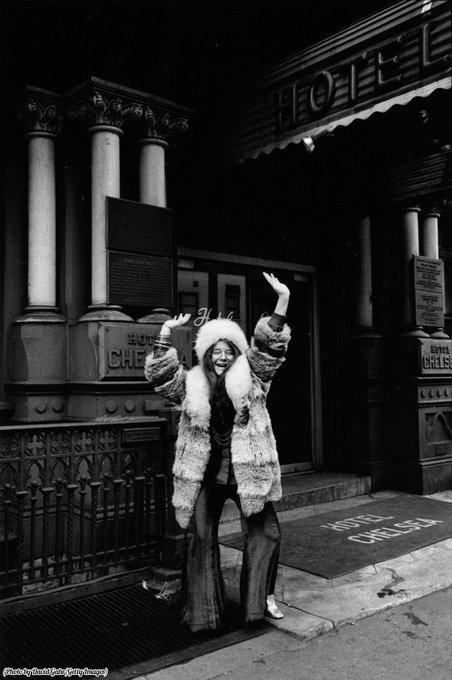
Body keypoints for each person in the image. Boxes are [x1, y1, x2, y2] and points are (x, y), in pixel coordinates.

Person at [145, 272, 290, 631]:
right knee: (200, 537)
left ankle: (258, 603)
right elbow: (162, 377)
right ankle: (204, 611)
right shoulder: (192, 384)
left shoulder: (253, 377)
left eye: (229, 352)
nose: (223, 357)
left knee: (266, 532)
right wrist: (165, 334)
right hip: (208, 474)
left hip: (246, 473)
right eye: (217, 352)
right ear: (207, 356)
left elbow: (270, 347)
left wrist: (282, 299)